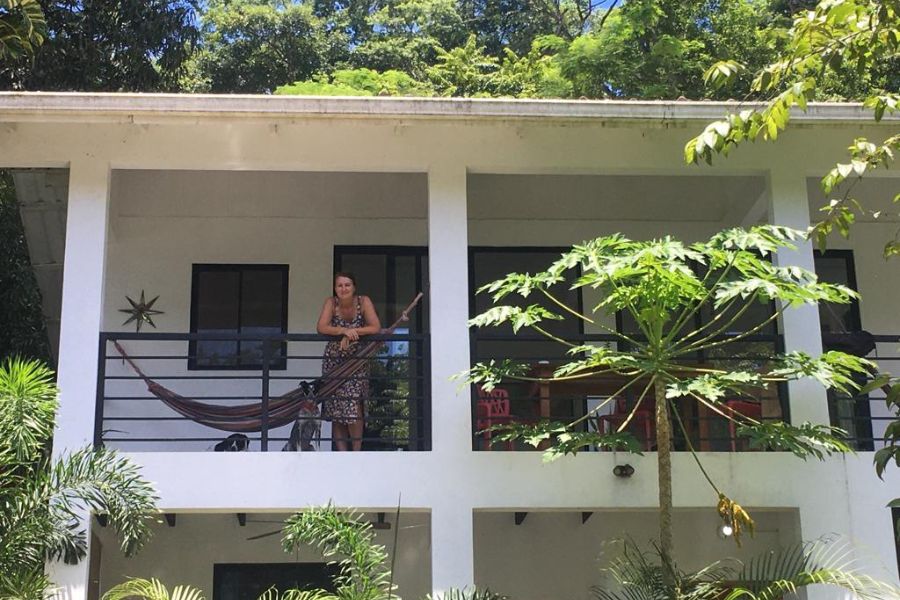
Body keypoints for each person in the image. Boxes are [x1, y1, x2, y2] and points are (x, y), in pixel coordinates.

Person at [316, 272, 381, 451]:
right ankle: (342, 452)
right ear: (335, 288)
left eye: (347, 285)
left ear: (354, 287)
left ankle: (356, 451)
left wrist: (355, 332)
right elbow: (322, 326)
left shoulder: (363, 301)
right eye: (340, 285)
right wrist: (342, 331)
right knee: (336, 406)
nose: (343, 289)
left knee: (354, 403)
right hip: (334, 360)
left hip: (357, 361)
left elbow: (375, 326)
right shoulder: (331, 302)